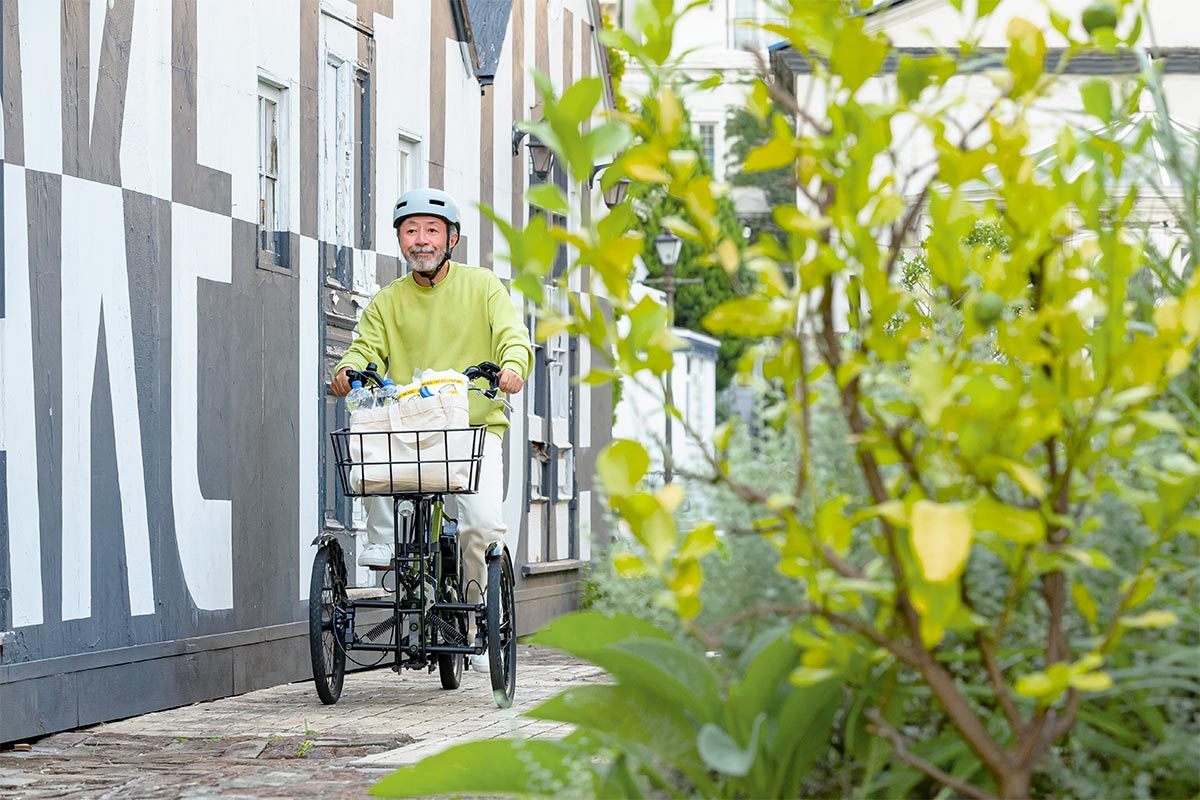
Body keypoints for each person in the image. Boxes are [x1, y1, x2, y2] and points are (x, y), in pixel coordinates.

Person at [331, 187, 532, 670]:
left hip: (473, 429)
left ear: (451, 239)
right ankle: (387, 546)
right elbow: (363, 349)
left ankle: (477, 620)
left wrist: (512, 367)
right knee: (372, 447)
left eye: (431, 230)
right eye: (410, 231)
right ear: (400, 239)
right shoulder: (387, 301)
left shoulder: (483, 286)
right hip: (410, 429)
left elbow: (513, 336)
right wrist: (347, 370)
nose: (420, 240)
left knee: (481, 525)